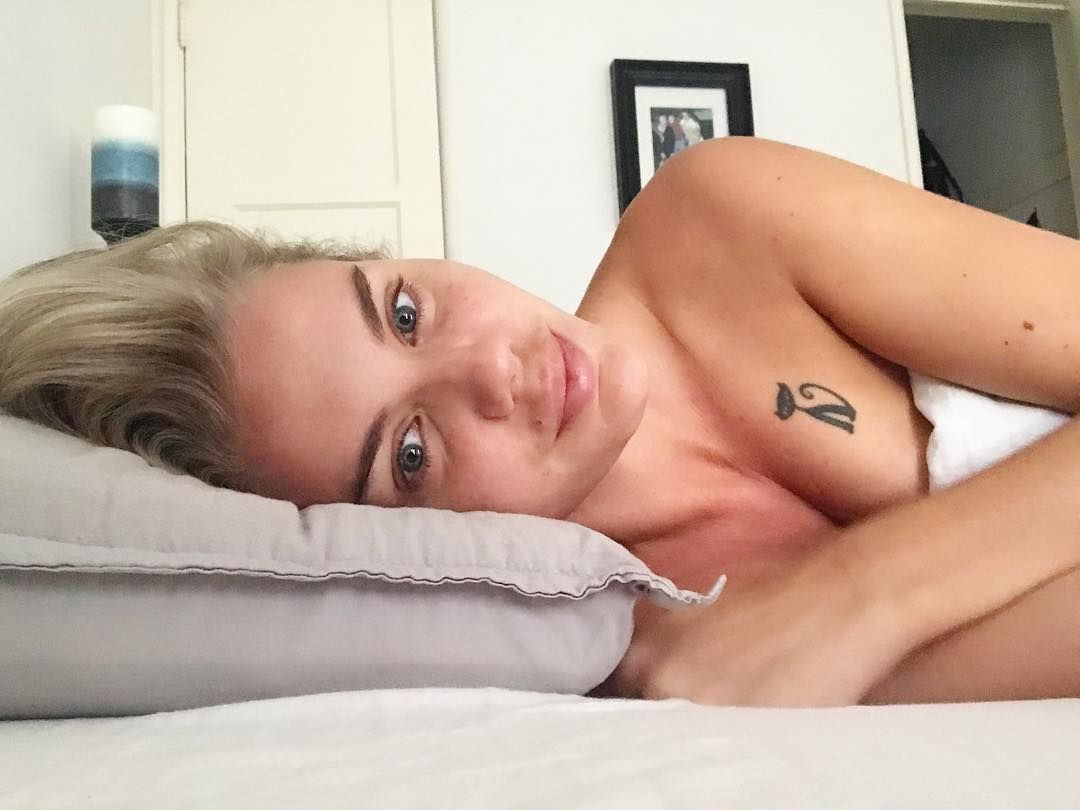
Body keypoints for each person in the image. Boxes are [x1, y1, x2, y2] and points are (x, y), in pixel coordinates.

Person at [3, 137, 1080, 707]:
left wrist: (865, 594)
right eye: (410, 453)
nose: (492, 368)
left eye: (405, 311)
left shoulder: (719, 220)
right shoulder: (661, 643)